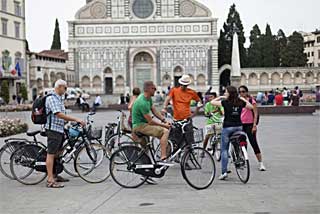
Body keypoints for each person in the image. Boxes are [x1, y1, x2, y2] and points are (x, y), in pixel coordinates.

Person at [45, 79, 85, 188]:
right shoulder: (52, 98)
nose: (66, 90)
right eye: (65, 87)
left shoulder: (59, 98)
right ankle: (50, 179)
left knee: (58, 153)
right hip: (53, 129)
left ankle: (55, 174)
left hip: (59, 129)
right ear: (59, 87)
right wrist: (75, 119)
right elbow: (58, 114)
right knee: (51, 153)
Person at [211, 86, 253, 180]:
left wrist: (221, 97)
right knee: (236, 143)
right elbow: (250, 107)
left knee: (224, 149)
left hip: (227, 128)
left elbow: (212, 102)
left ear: (229, 93)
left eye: (226, 92)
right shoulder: (240, 102)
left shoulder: (225, 102)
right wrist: (242, 98)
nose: (225, 93)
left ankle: (224, 172)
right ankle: (238, 157)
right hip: (239, 127)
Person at [132, 81, 171, 163]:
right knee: (165, 132)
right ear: (148, 89)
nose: (156, 89)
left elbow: (155, 111)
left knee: (145, 149)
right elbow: (150, 121)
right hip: (140, 126)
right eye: (154, 88)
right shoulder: (142, 102)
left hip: (143, 125)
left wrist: (164, 120)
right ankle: (163, 156)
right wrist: (164, 126)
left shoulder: (147, 98)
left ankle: (144, 170)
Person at [238, 85, 266, 171]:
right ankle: (243, 160)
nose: (241, 93)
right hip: (241, 125)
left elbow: (255, 113)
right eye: (240, 92)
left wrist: (254, 125)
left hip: (250, 125)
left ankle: (261, 163)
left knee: (254, 143)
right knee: (242, 143)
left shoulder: (251, 101)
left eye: (243, 91)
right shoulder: (238, 101)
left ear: (246, 92)